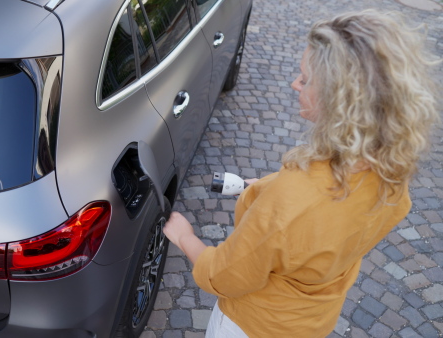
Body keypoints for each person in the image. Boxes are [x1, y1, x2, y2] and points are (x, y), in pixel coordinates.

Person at [163, 9, 440, 338]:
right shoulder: (392, 172)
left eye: (306, 79)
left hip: (251, 326)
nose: (294, 83)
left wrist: (184, 237)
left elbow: (224, 276)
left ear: (340, 104)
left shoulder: (292, 201)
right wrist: (266, 187)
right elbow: (323, 227)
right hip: (313, 322)